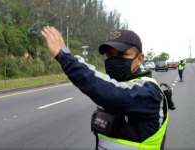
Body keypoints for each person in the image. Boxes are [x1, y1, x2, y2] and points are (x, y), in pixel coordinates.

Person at [41, 27, 169, 150]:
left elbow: (113, 92)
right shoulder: (114, 83)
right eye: (109, 54)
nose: (113, 59)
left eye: (122, 54)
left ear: (140, 59)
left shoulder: (149, 90)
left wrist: (65, 58)